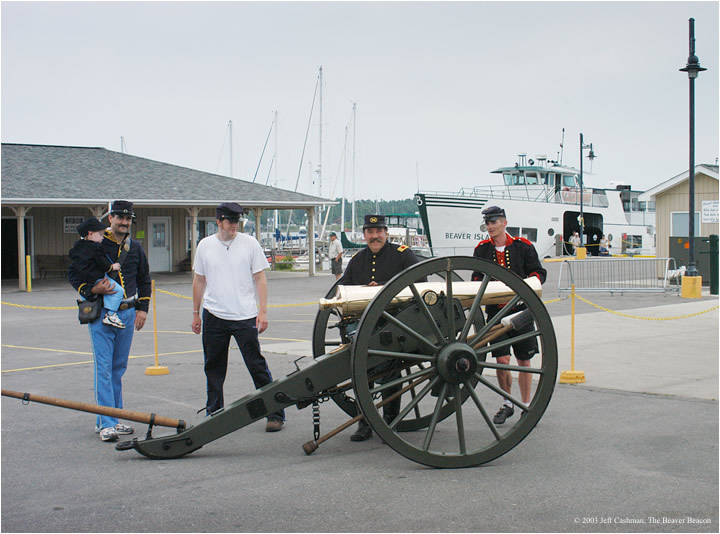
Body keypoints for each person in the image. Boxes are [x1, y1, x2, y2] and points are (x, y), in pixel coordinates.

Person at [191, 202, 285, 432]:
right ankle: (214, 413)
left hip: (245, 315)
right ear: (219, 222)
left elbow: (260, 278)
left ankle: (275, 413)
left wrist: (263, 311)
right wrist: (195, 313)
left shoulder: (249, 243)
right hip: (214, 314)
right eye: (230, 221)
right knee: (213, 367)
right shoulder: (205, 246)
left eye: (237, 222)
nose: (235, 226)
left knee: (256, 365)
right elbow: (199, 280)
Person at [68, 200, 151, 442]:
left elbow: (144, 279)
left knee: (117, 369)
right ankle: (107, 422)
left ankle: (109, 417)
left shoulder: (134, 247)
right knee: (103, 369)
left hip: (127, 312)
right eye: (119, 217)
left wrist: (143, 309)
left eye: (128, 218)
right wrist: (90, 288)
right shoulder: (94, 242)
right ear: (110, 218)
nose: (124, 222)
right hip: (103, 312)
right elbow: (73, 273)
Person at [338, 214, 421, 441]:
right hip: (364, 323)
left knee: (391, 371)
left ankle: (390, 422)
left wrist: (384, 287)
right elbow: (343, 288)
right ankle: (364, 424)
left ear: (386, 233)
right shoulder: (357, 260)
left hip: (396, 323)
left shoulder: (402, 254)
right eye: (370, 232)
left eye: (379, 231)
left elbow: (420, 279)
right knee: (361, 372)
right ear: (364, 235)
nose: (375, 236)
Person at [472, 206, 546, 425]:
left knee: (524, 360)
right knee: (503, 360)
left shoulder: (523, 247)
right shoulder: (482, 249)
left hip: (521, 310)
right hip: (495, 312)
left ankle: (526, 404)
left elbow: (538, 273)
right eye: (487, 223)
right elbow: (475, 277)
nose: (490, 227)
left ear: (504, 222)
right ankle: (508, 403)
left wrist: (525, 285)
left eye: (494, 222)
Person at [69, 217, 126, 329]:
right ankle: (111, 315)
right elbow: (102, 263)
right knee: (118, 291)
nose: (102, 238)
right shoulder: (96, 248)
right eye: (100, 235)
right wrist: (112, 267)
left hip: (87, 280)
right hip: (96, 279)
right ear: (90, 234)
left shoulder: (77, 248)